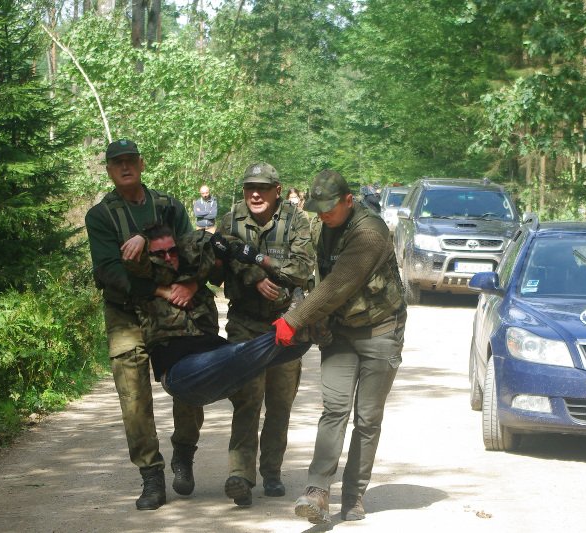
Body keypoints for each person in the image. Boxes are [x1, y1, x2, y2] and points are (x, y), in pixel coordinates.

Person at [272, 169, 407, 524]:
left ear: (349, 200)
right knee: (334, 410)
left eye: (330, 209)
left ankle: (354, 495)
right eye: (319, 209)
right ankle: (317, 491)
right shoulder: (321, 227)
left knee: (367, 419)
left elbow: (338, 285)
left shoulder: (370, 233)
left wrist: (294, 320)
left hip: (381, 332)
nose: (323, 215)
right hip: (341, 333)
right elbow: (314, 274)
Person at [84, 139, 203, 511]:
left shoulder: (168, 205)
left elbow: (193, 248)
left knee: (188, 383)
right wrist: (161, 289)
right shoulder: (101, 216)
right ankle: (151, 476)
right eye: (117, 162)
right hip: (127, 313)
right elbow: (109, 271)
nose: (125, 167)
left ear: (141, 163)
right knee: (133, 396)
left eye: (130, 160)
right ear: (108, 169)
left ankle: (183, 453)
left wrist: (191, 283)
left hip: (173, 312)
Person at [123, 225, 311, 407]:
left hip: (215, 367)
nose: (168, 258)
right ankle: (296, 324)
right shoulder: (145, 279)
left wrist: (256, 277)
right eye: (160, 254)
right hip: (182, 373)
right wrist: (141, 236)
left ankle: (308, 330)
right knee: (242, 353)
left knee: (289, 350)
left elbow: (225, 245)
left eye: (172, 251)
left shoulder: (193, 271)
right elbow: (128, 264)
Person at [216, 162, 315, 507]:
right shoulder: (230, 219)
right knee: (246, 397)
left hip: (285, 322)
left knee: (280, 401)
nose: (255, 194)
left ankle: (271, 471)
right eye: (249, 188)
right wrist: (253, 276)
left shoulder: (295, 220)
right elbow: (224, 256)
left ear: (277, 189)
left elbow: (302, 269)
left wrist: (258, 259)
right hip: (244, 323)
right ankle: (240, 475)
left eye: (262, 187)